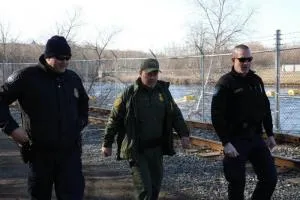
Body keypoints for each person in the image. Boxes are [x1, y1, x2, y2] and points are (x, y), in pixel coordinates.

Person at [0, 35, 89, 200]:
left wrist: (80, 123)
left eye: (67, 58)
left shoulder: (72, 78)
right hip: (40, 155)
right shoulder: (26, 77)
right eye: (60, 58)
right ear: (47, 57)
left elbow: (84, 104)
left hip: (70, 154)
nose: (64, 62)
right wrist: (11, 129)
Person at [102, 58, 190, 200]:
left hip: (157, 150)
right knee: (145, 192)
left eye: (155, 73)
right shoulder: (129, 94)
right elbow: (114, 119)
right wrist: (107, 143)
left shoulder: (163, 93)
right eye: (149, 74)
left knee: (155, 189)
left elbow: (175, 115)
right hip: (137, 150)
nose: (152, 77)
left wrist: (184, 134)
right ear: (140, 73)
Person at [211, 44, 277, 200]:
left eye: (249, 59)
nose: (246, 63)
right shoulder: (225, 83)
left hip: (255, 137)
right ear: (233, 59)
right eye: (242, 59)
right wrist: (225, 142)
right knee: (237, 182)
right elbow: (216, 115)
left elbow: (265, 108)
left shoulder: (256, 80)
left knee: (270, 178)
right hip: (235, 140)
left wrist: (270, 134)